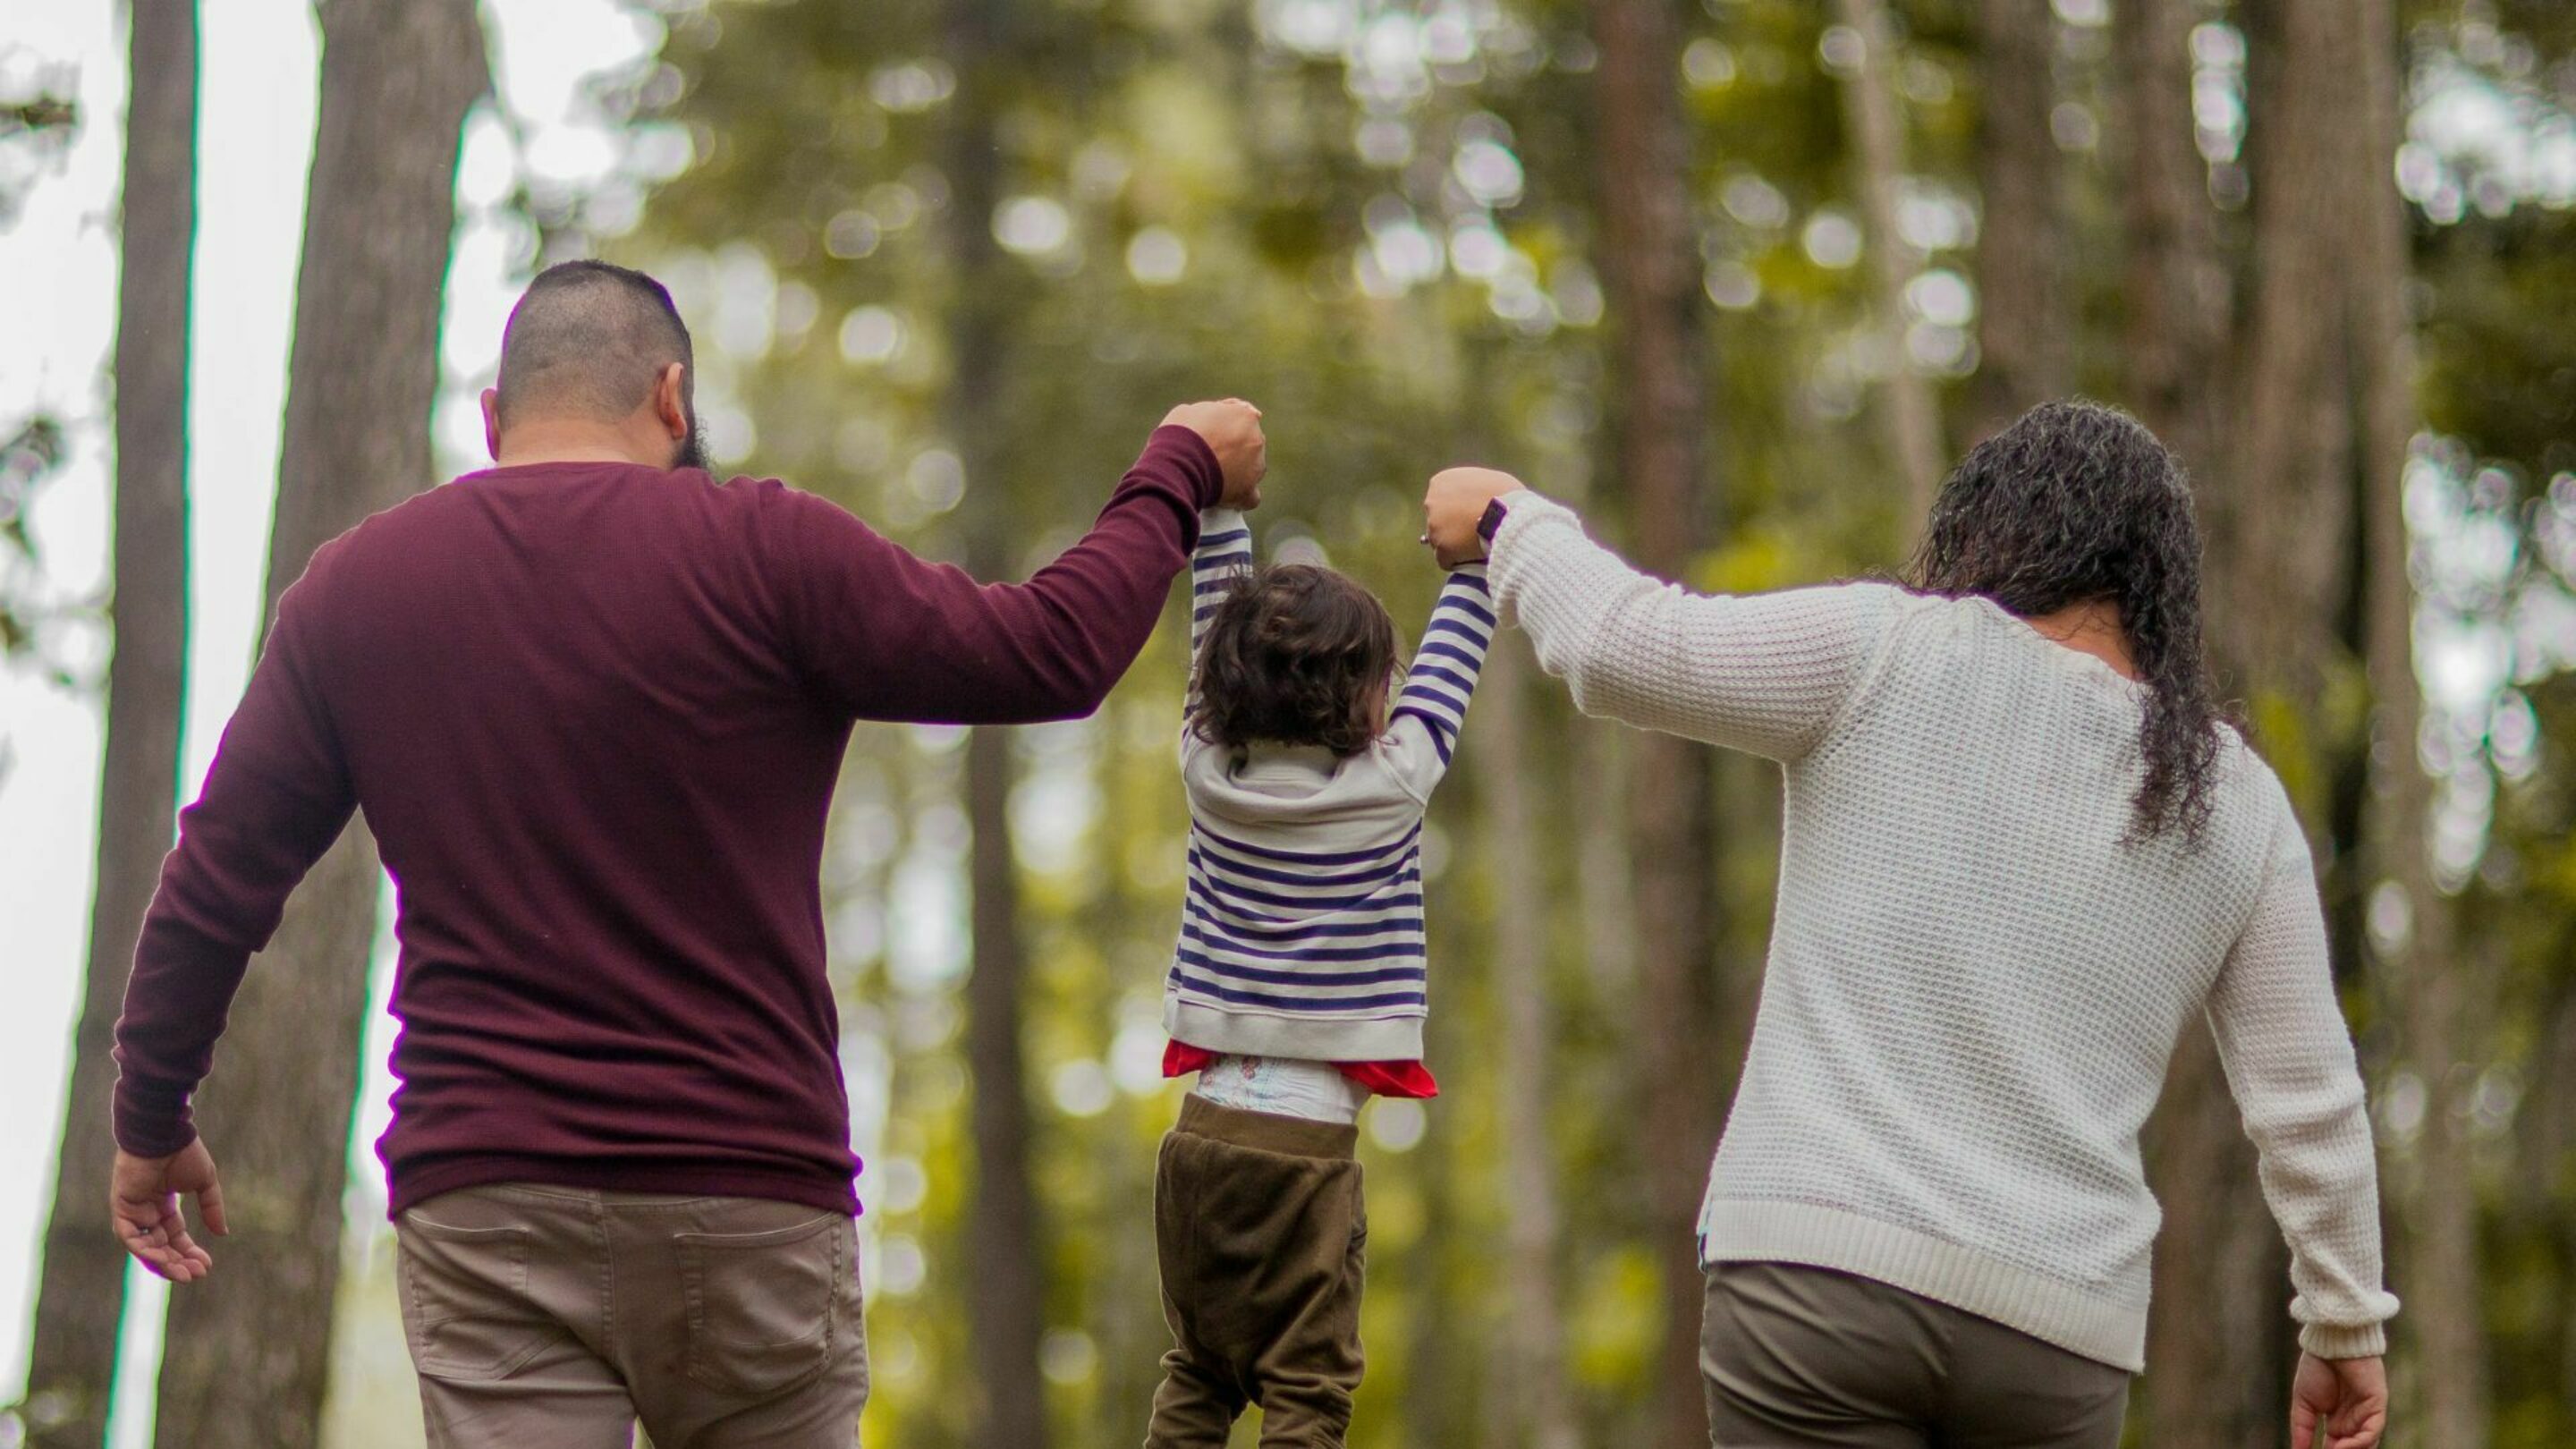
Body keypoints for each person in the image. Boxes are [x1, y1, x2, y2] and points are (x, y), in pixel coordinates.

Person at [106, 258, 1269, 1447]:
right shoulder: (766, 548)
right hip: (748, 1191)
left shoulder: (355, 591)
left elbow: (217, 880)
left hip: (492, 1201)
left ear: (494, 419)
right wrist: (1173, 466)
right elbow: (1050, 654)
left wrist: (152, 1116)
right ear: (674, 400)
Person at [1420, 400, 2395, 1449]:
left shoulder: (1885, 651)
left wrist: (1511, 521)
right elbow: (2310, 1102)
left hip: (1815, 1282)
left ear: (1992, 529)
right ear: (2161, 587)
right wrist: (2343, 1321)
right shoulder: (2234, 800)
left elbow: (1622, 645)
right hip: (2058, 1331)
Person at [1142, 499, 1495, 1446]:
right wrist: (1481, 550)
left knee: (1197, 1371)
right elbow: (1458, 656)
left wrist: (1220, 514)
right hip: (1305, 1152)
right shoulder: (1392, 787)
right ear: (1368, 694)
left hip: (1201, 1139)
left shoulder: (1207, 774)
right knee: (1307, 1395)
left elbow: (1213, 621)